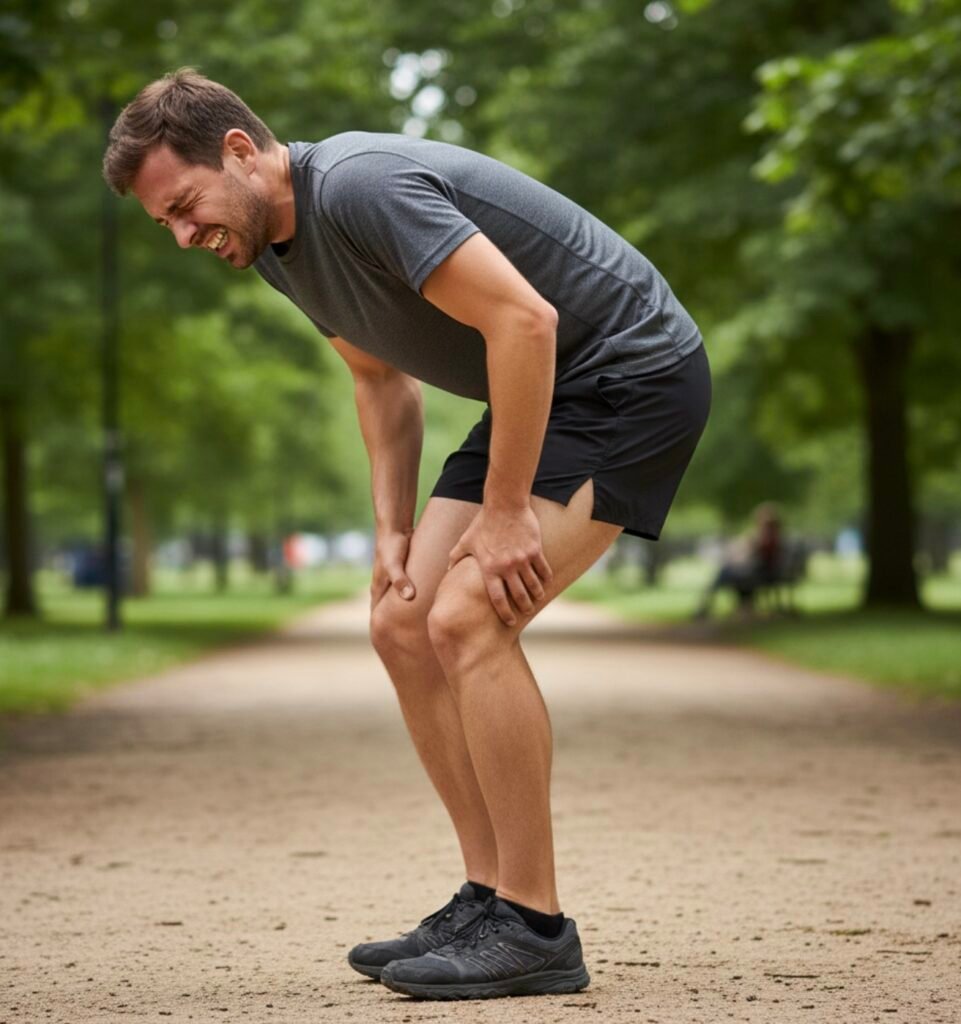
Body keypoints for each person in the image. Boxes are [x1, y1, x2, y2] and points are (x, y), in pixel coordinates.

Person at [103, 68, 712, 1001]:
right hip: (543, 387)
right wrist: (390, 527)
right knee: (402, 617)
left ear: (238, 151)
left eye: (185, 206)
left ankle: (536, 928)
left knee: (468, 615)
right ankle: (488, 899)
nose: (186, 236)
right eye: (166, 225)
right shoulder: (273, 246)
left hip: (628, 374)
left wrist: (504, 512)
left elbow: (525, 320)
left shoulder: (359, 187)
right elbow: (379, 378)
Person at [693, 502, 784, 619]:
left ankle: (704, 606)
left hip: (761, 574)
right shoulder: (772, 537)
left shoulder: (767, 539)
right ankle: (740, 606)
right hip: (760, 572)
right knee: (727, 571)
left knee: (724, 573)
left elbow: (753, 554)